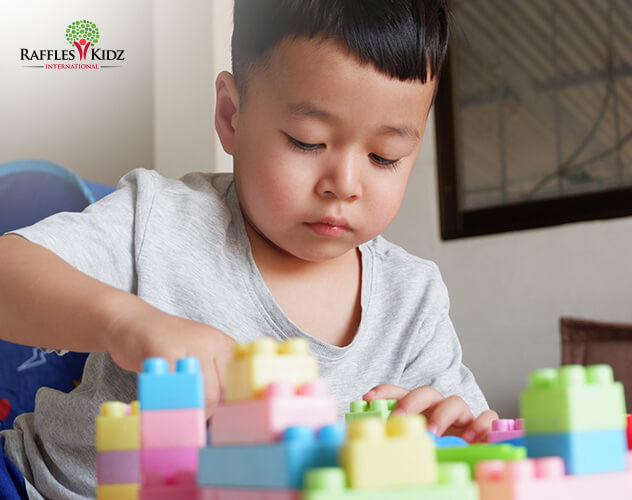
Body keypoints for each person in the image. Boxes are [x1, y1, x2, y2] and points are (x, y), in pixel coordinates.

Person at [0, 1, 496, 498]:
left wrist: (451, 446)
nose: (344, 185)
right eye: (307, 142)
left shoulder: (413, 299)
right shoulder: (161, 219)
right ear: (231, 116)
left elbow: (472, 440)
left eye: (384, 157)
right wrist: (127, 323)